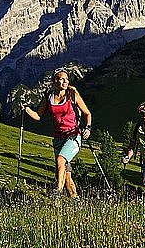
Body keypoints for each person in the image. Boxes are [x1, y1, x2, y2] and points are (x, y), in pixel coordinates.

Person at [21, 68, 92, 199]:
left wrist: (87, 128)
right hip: (58, 139)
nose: (65, 81)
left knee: (60, 160)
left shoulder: (72, 95)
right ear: (55, 81)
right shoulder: (49, 97)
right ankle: (76, 200)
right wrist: (26, 109)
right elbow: (38, 116)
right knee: (66, 175)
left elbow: (87, 113)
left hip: (73, 136)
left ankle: (57, 192)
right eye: (61, 79)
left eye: (66, 79)